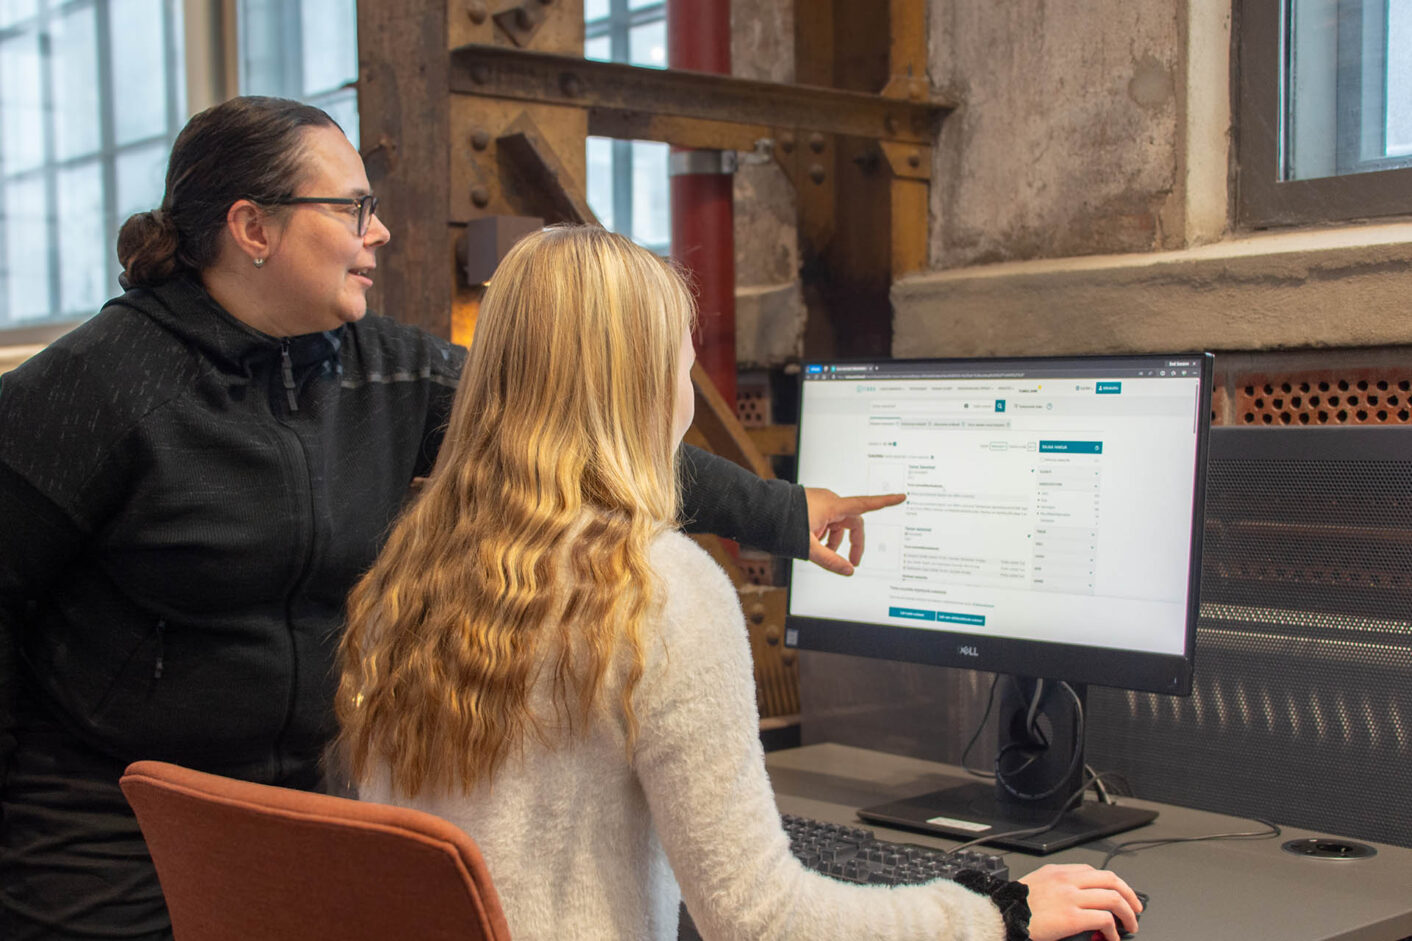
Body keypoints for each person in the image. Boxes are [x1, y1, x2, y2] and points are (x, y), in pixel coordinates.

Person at [0, 96, 892, 940]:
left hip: (304, 829)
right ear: (252, 228)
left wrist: (784, 512)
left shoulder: (384, 371)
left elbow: (579, 431)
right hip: (106, 846)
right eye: (351, 208)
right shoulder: (95, 390)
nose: (377, 231)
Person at [337, 225, 1144, 941]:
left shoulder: (412, 574)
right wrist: (995, 915)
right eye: (683, 369)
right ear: (649, 392)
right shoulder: (655, 591)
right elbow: (759, 920)